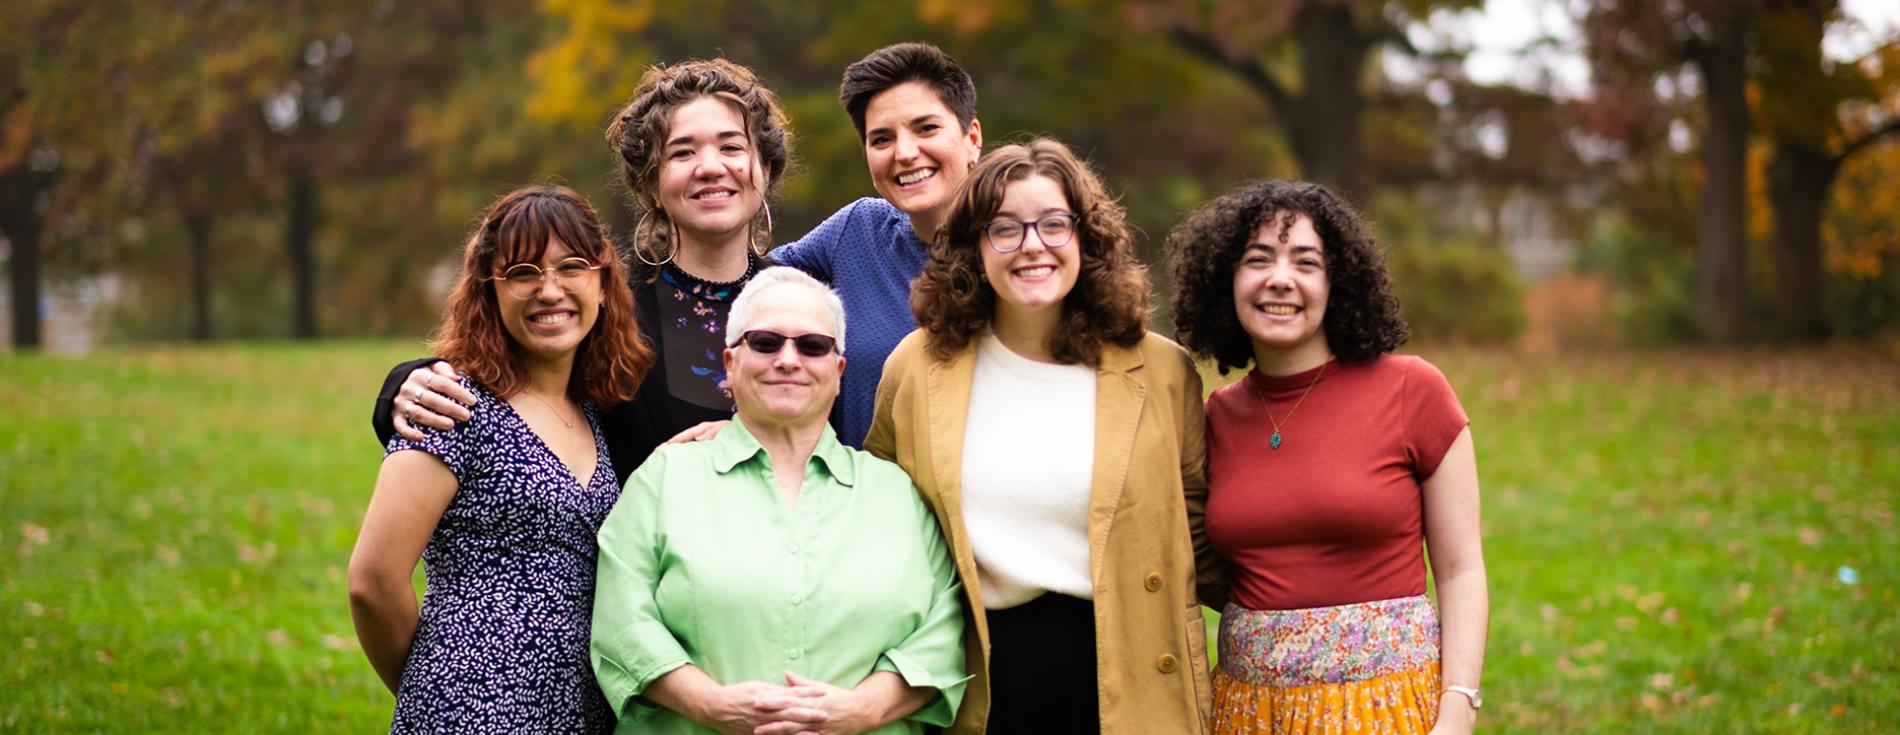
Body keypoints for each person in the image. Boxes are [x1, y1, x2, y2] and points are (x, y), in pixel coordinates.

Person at [866, 139, 1223, 734]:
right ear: (973, 249)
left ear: (1085, 238)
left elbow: (1203, 534)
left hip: (1134, 671)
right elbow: (875, 518)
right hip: (980, 676)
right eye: (1004, 229)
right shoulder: (917, 367)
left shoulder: (1162, 372)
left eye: (1054, 224)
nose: (1033, 246)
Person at [1165, 180, 1489, 735]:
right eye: (1257, 260)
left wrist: (1457, 708)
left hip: (1384, 709)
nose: (1280, 279)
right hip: (1248, 712)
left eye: (1306, 262)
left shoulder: (1414, 391)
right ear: (1227, 281)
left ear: (1338, 283)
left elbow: (1461, 570)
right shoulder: (1213, 417)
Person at [374, 57, 792, 479]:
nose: (710, 166)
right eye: (682, 152)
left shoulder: (802, 301)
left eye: (731, 147)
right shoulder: (602, 300)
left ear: (765, 167)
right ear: (650, 182)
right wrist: (404, 384)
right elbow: (493, 361)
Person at [590, 267, 967, 735]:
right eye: (765, 342)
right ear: (729, 363)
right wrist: (710, 705)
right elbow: (620, 619)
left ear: (838, 370)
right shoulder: (664, 479)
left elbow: (945, 628)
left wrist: (864, 709)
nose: (788, 359)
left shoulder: (897, 494)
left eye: (812, 346)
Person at [347, 185, 654, 733]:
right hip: (470, 713)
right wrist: (440, 685)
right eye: (523, 273)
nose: (549, 290)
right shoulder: (454, 404)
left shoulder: (593, 411)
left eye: (570, 267)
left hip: (580, 714)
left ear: (604, 285)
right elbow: (372, 581)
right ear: (490, 291)